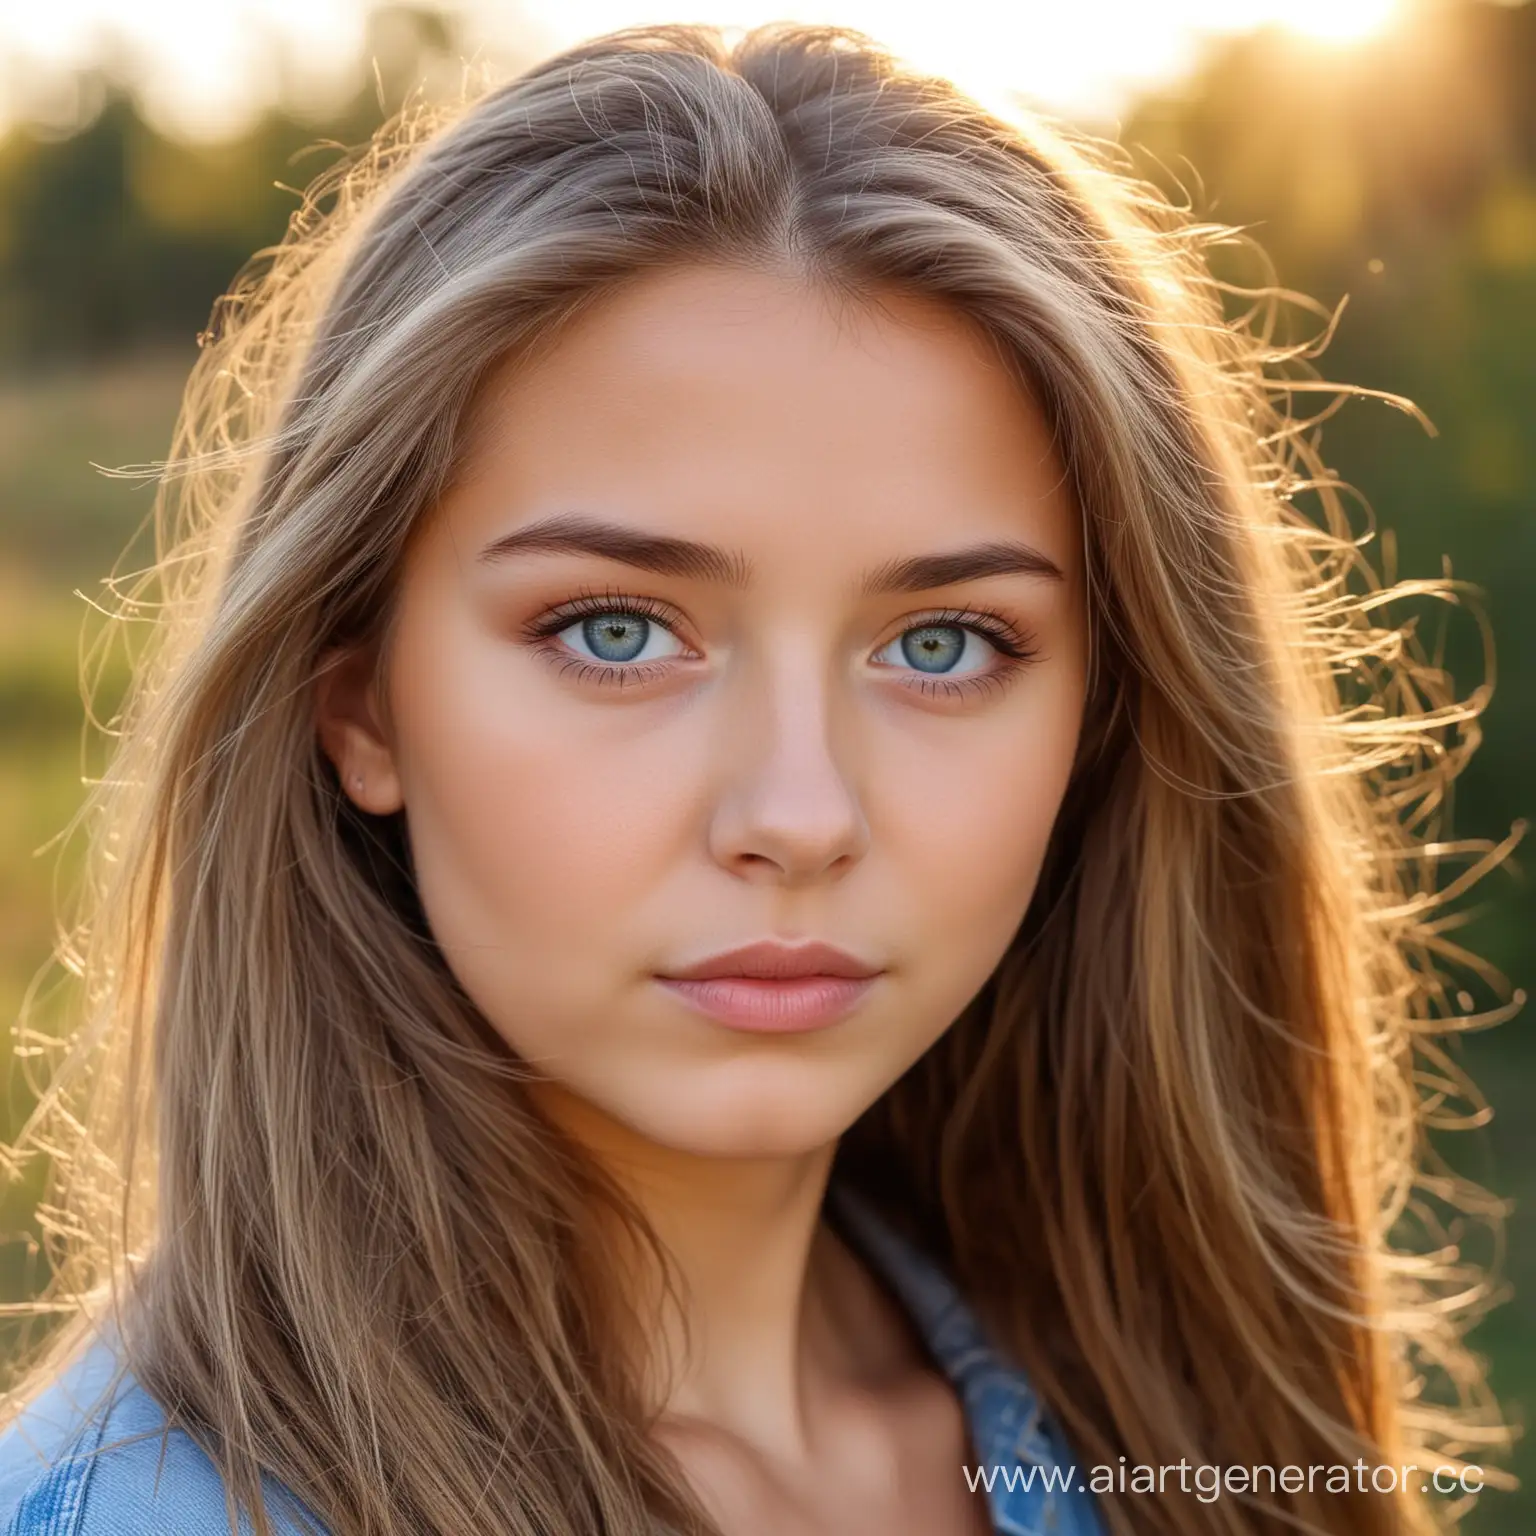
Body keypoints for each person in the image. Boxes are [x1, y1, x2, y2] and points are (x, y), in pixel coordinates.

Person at [0, 20, 1509, 1536]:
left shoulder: (1180, 1430)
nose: (799, 815)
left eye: (943, 644)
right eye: (615, 629)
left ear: (1106, 719)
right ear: (360, 707)